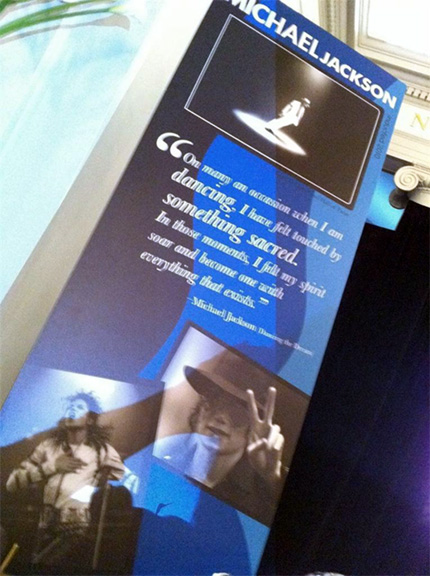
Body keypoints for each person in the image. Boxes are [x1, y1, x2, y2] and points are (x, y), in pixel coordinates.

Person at [154, 352, 286, 525]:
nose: (221, 416)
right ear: (200, 409)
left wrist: (272, 480)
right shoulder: (161, 458)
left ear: (254, 429)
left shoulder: (255, 502)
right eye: (214, 400)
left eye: (238, 411)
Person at [6, 391, 125, 571]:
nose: (72, 410)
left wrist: (99, 482)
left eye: (79, 407)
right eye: (70, 406)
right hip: (43, 524)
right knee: (34, 565)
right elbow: (12, 483)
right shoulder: (48, 447)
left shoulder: (101, 451)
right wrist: (52, 466)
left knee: (46, 565)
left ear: (89, 420)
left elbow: (123, 476)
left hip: (75, 524)